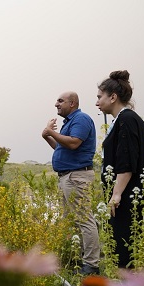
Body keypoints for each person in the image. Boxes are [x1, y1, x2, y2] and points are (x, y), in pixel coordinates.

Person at [96, 70, 144, 268]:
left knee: (124, 247)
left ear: (113, 97)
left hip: (128, 197)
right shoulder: (124, 120)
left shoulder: (127, 120)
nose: (97, 102)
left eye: (99, 97)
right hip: (127, 194)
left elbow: (126, 163)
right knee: (126, 247)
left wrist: (116, 195)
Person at [42, 91, 100, 275]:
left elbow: (74, 143)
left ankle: (91, 264)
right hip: (67, 177)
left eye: (60, 101)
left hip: (77, 176)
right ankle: (76, 260)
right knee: (70, 221)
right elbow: (62, 147)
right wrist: (48, 136)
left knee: (84, 219)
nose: (56, 104)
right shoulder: (70, 122)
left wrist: (51, 131)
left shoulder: (81, 119)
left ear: (72, 103)